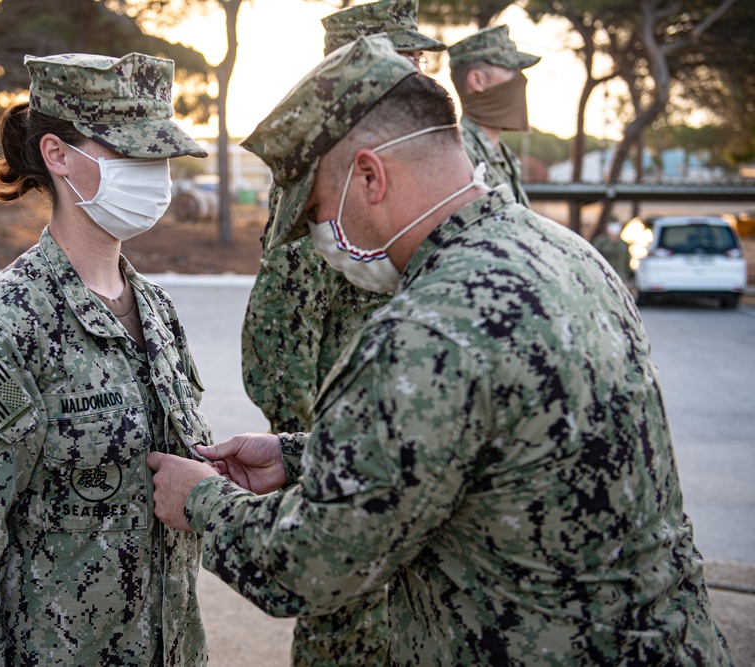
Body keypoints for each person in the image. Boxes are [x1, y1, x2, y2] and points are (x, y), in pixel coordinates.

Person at [147, 35, 734, 665]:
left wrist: (202, 501)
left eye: (318, 211)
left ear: (369, 177)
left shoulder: (425, 330)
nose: (324, 237)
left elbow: (311, 567)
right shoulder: (565, 254)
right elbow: (497, 448)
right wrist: (302, 456)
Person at [0, 53, 212, 666]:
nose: (155, 175)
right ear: (58, 156)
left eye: (159, 156)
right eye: (131, 153)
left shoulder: (156, 309)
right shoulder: (4, 328)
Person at [240, 3, 445, 664]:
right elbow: (278, 341)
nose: (418, 72)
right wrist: (319, 464)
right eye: (402, 58)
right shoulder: (321, 182)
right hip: (351, 464)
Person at [449, 25, 539, 205]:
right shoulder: (459, 152)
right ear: (477, 81)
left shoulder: (503, 153)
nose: (520, 79)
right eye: (510, 69)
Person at [592, 217, 633, 285]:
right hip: (604, 277)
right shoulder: (600, 243)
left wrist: (628, 277)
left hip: (621, 278)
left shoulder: (624, 244)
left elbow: (626, 262)